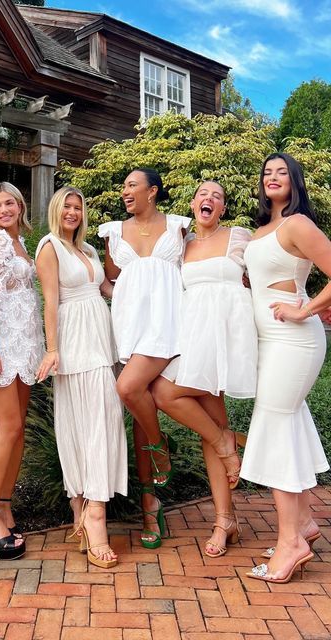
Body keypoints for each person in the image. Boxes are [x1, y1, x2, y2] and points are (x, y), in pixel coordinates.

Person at [152, 180, 257, 557]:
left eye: (217, 196)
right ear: (194, 204)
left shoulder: (240, 237)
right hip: (191, 337)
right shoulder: (183, 245)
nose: (208, 199)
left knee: (205, 418)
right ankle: (225, 449)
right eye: (203, 194)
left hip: (225, 337)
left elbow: (260, 280)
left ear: (223, 208)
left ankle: (223, 520)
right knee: (165, 394)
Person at [241, 153, 331, 584]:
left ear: (295, 181)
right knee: (289, 423)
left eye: (282, 172)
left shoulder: (297, 224)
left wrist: (305, 309)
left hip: (294, 340)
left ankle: (291, 543)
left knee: (274, 427)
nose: (272, 178)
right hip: (269, 342)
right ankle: (307, 524)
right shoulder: (262, 230)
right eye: (266, 173)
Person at [35, 186, 128, 569]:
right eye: (67, 206)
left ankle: (81, 514)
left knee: (97, 424)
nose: (73, 212)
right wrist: (53, 349)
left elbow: (107, 289)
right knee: (88, 425)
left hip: (100, 341)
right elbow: (50, 300)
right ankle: (94, 517)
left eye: (78, 207)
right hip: (74, 342)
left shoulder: (88, 250)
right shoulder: (49, 247)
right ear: (57, 210)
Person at [98, 167, 190, 548]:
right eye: (123, 186)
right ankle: (151, 512)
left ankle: (160, 445)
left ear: (152, 191)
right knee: (139, 409)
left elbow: (196, 269)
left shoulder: (180, 227)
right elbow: (110, 281)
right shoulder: (113, 232)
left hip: (167, 326)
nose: (124, 191)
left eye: (132, 185)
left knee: (128, 387)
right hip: (128, 329)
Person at [0, 182, 43, 561]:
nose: (3, 209)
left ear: (20, 205)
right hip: (0, 343)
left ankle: (4, 505)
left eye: (9, 203)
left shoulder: (21, 244)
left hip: (25, 342)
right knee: (8, 427)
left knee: (19, 433)